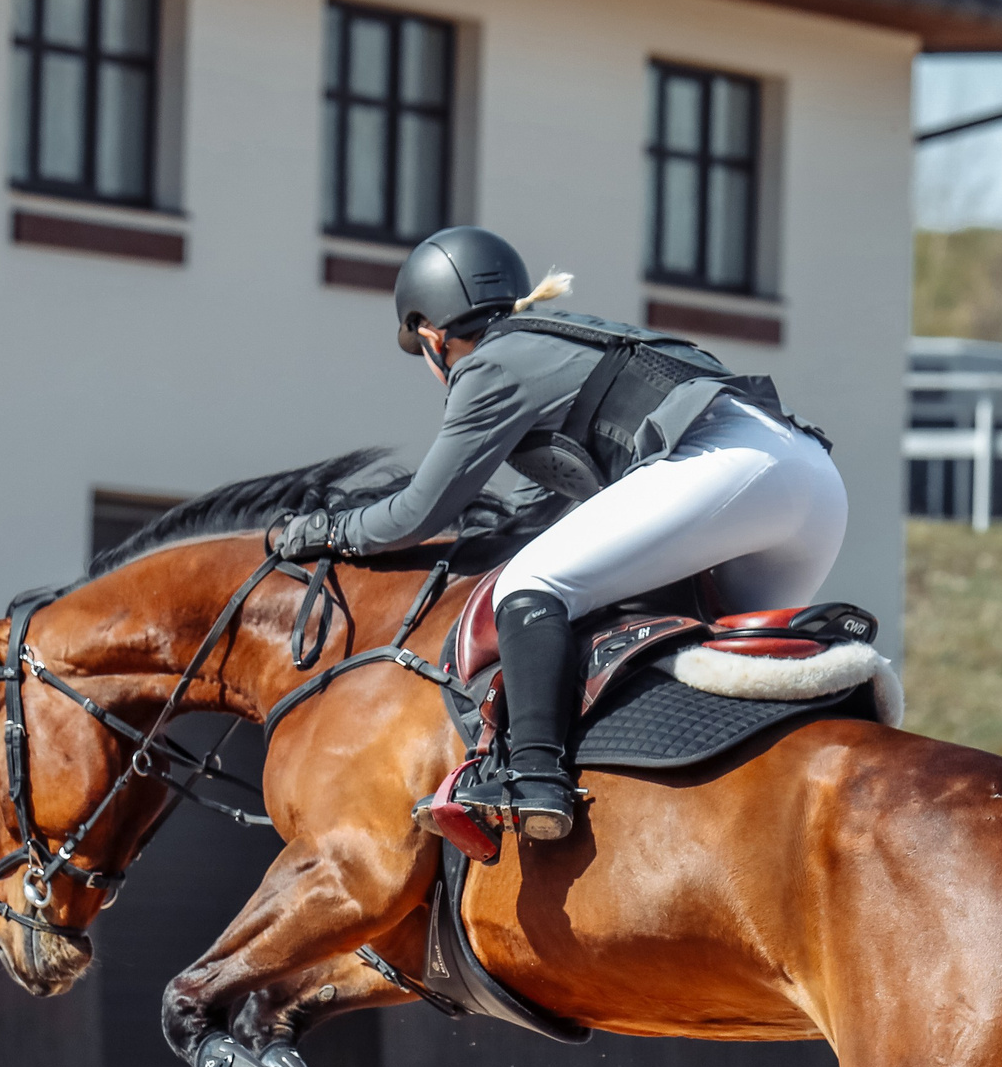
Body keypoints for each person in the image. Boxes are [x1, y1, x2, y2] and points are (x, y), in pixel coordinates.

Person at [274, 225, 847, 843]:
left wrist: (321, 530)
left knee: (529, 582)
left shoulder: (490, 364)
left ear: (434, 337)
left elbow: (416, 515)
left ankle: (534, 779)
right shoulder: (556, 342)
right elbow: (567, 506)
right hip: (810, 480)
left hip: (731, 464)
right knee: (715, 667)